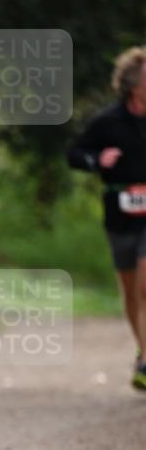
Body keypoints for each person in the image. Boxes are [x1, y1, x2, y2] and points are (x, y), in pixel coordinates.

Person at [67, 45, 146, 390]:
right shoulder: (107, 121)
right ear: (133, 84)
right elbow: (74, 154)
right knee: (130, 290)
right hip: (120, 212)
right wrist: (97, 161)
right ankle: (143, 354)